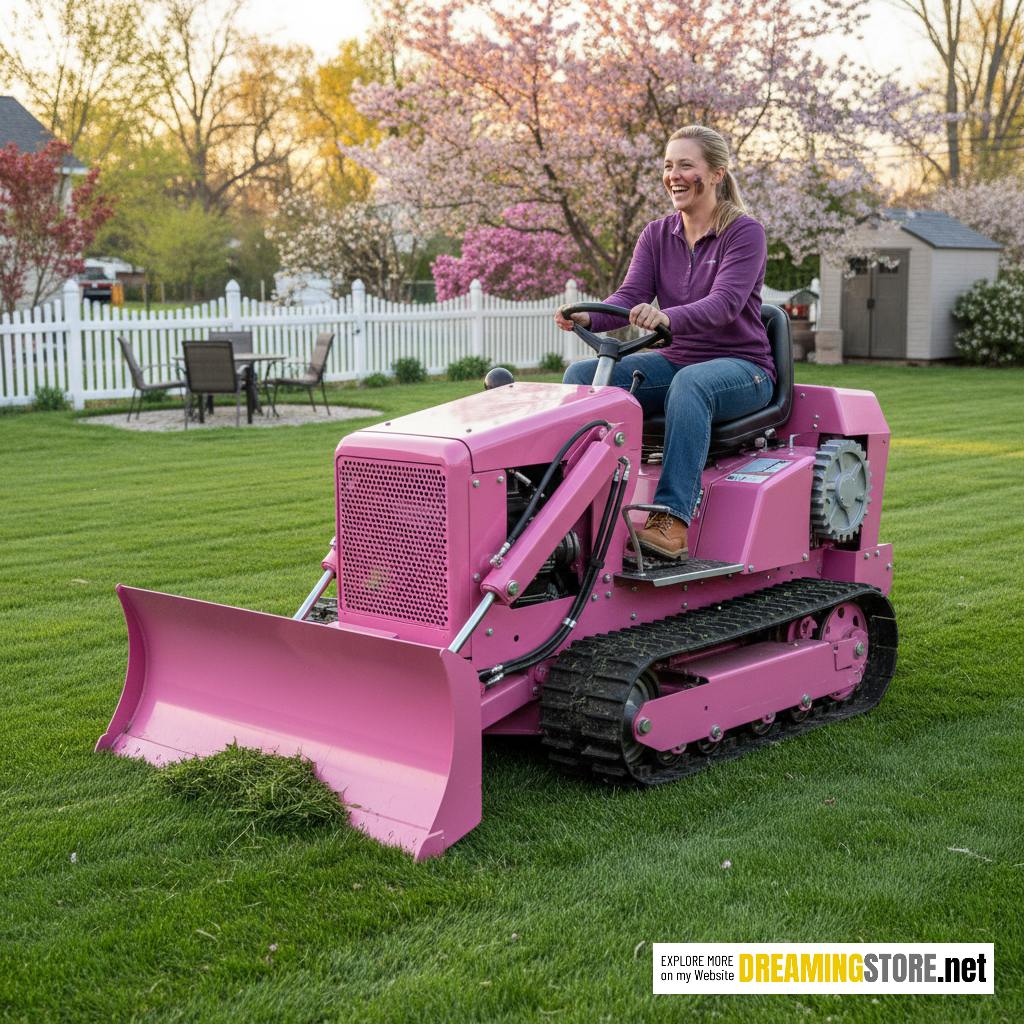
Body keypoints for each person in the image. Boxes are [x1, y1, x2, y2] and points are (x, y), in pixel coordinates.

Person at [555, 124, 774, 560]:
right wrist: (588, 315)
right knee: (582, 376)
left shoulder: (744, 233)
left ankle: (672, 519)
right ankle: (573, 505)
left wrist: (667, 316)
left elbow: (725, 304)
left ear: (716, 174)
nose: (674, 175)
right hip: (677, 362)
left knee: (691, 384)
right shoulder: (657, 235)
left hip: (743, 368)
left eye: (686, 165)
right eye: (669, 165)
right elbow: (628, 297)